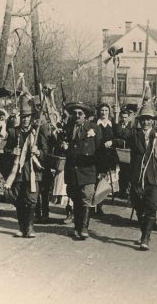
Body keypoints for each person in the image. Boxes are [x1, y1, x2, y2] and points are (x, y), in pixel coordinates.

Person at [116, 103, 157, 250]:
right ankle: (144, 232)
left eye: (148, 119)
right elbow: (120, 133)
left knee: (151, 207)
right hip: (137, 176)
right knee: (138, 207)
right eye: (143, 119)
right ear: (139, 120)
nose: (146, 122)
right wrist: (119, 117)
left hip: (152, 177)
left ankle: (146, 237)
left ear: (153, 121)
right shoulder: (134, 134)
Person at [4, 95, 49, 238]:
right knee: (18, 200)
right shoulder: (13, 132)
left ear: (31, 117)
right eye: (23, 117)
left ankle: (29, 228)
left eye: (27, 117)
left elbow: (45, 151)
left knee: (31, 199)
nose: (25, 119)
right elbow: (5, 151)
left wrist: (38, 151)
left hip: (33, 170)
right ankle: (21, 227)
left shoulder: (37, 132)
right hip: (17, 170)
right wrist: (12, 152)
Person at [64, 102, 101, 239]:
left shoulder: (93, 128)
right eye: (74, 113)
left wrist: (100, 171)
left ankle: (84, 227)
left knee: (86, 197)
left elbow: (99, 150)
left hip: (88, 169)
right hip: (73, 169)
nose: (77, 116)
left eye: (80, 113)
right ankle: (77, 226)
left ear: (85, 116)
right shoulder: (69, 128)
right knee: (76, 198)